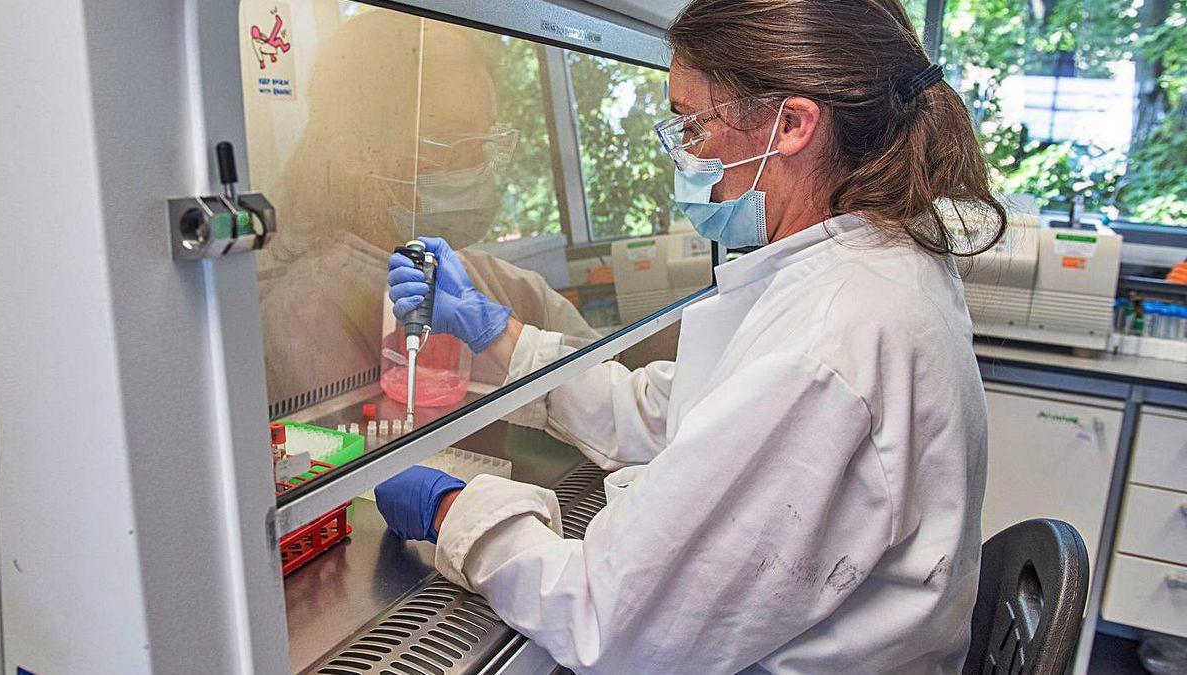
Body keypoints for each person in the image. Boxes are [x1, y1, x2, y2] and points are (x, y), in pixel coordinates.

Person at [374, 0, 1006, 672]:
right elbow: (680, 413)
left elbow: (605, 618)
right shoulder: (873, 262)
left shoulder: (832, 339)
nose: (686, 155)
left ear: (792, 125)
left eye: (694, 126)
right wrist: (500, 336)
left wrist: (453, 511)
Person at [257, 12, 597, 406]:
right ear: (354, 153)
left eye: (483, 141)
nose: (474, 168)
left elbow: (613, 391)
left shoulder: (500, 284)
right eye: (448, 141)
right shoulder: (307, 311)